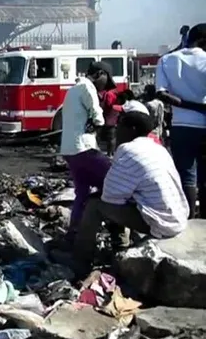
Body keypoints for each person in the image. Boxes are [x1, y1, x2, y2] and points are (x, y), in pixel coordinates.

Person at [73, 101, 189, 272]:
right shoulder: (158, 148)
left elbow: (110, 196)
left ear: (132, 130)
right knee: (120, 197)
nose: (116, 129)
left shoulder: (129, 150)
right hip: (177, 217)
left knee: (95, 205)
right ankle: (121, 246)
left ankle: (80, 260)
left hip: (162, 224)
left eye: (120, 125)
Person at [156, 23, 206, 218]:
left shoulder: (166, 60)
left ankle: (189, 218)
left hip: (181, 126)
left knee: (186, 174)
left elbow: (161, 93)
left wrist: (185, 105)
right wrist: (200, 107)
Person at [61, 61, 114, 236]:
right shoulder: (87, 87)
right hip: (84, 148)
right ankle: (115, 233)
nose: (105, 87)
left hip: (69, 150)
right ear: (100, 74)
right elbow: (98, 117)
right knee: (115, 181)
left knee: (82, 193)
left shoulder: (73, 89)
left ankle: (75, 231)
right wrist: (98, 125)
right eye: (106, 81)